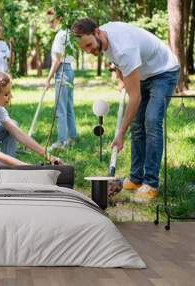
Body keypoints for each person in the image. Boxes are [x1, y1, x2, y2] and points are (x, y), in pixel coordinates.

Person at [71, 18, 179, 202]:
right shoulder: (103, 37)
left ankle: (151, 184)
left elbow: (134, 97)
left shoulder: (124, 48)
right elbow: (119, 63)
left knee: (151, 122)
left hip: (163, 72)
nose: (89, 51)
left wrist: (120, 133)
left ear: (97, 32)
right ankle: (136, 179)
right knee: (137, 125)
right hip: (143, 73)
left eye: (89, 45)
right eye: (84, 49)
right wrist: (122, 78)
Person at [45, 8, 77, 151]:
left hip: (62, 71)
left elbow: (57, 60)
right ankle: (72, 138)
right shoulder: (69, 33)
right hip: (70, 70)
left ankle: (62, 141)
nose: (50, 24)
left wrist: (48, 78)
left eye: (51, 21)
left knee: (61, 108)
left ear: (59, 18)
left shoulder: (60, 35)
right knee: (69, 106)